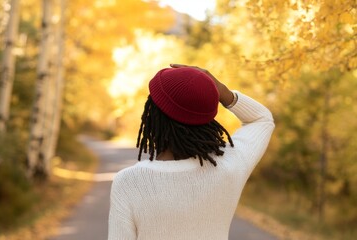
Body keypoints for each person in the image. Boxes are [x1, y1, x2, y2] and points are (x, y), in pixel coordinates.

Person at [108, 64, 275, 240]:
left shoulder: (129, 182)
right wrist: (223, 92)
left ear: (152, 117)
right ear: (207, 119)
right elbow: (262, 119)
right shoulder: (229, 165)